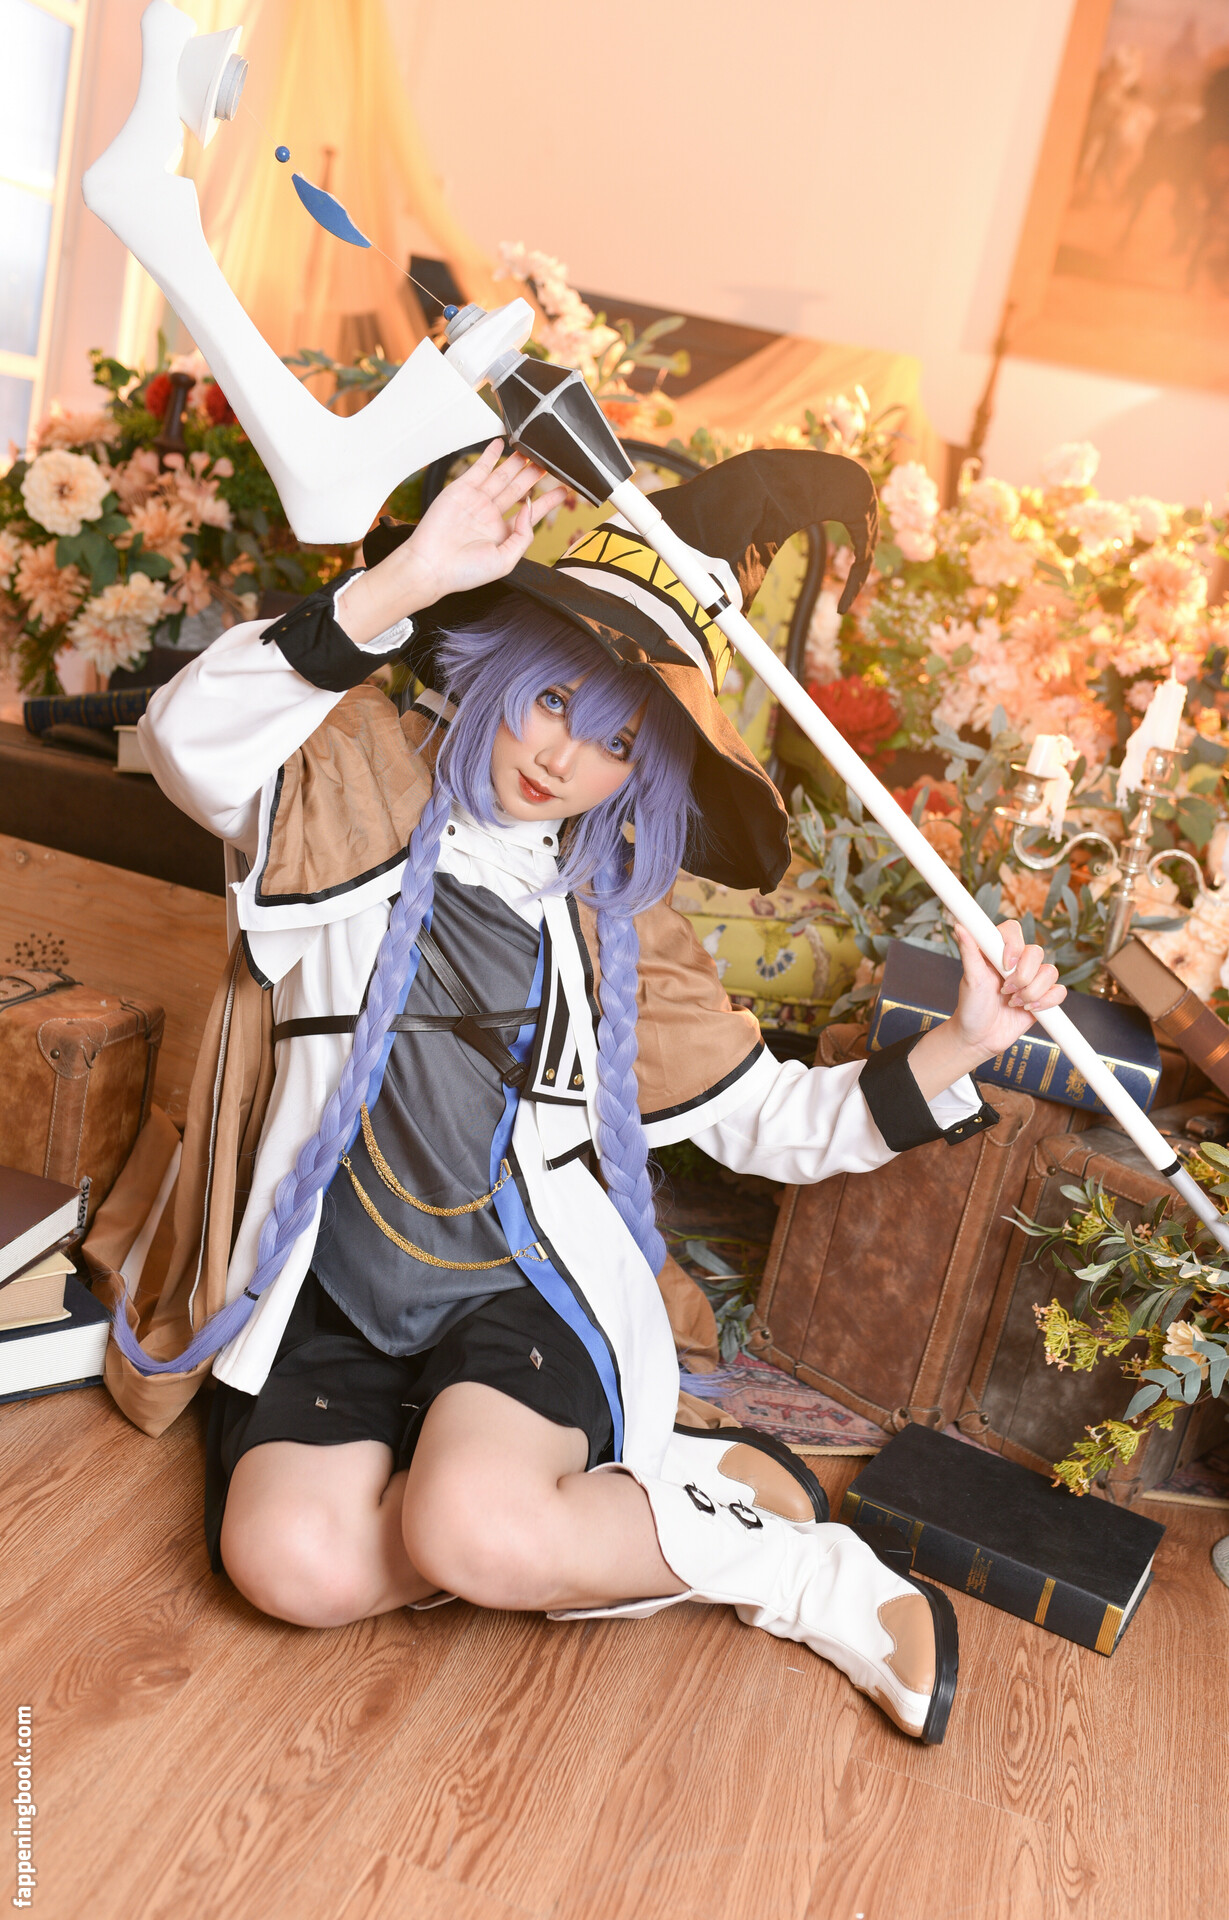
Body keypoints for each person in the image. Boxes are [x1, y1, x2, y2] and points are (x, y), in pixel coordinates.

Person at [133, 441, 1064, 1745]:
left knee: (471, 1531)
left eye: (617, 738)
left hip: (520, 1292)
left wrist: (963, 1043)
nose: (564, 756)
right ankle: (644, 1493)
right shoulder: (347, 779)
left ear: (645, 770)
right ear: (493, 666)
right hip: (328, 1287)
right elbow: (184, 741)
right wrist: (403, 578)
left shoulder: (621, 925)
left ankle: (801, 1573)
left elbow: (768, 1120)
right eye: (553, 699)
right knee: (293, 1568)